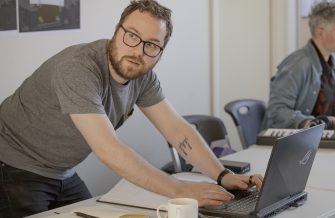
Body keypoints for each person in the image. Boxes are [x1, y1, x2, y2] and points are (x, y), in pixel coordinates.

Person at [0, 1, 263, 217]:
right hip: (14, 166)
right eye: (132, 36)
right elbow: (108, 149)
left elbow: (176, 128)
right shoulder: (79, 68)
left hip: (61, 171)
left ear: (160, 52)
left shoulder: (143, 76)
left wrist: (222, 175)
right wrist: (178, 189)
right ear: (117, 31)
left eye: (151, 45)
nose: (138, 51)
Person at [265, 0, 335, 130]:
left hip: (319, 136)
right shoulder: (297, 64)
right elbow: (276, 112)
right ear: (321, 32)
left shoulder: (328, 60)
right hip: (295, 141)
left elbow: (325, 100)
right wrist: (313, 122)